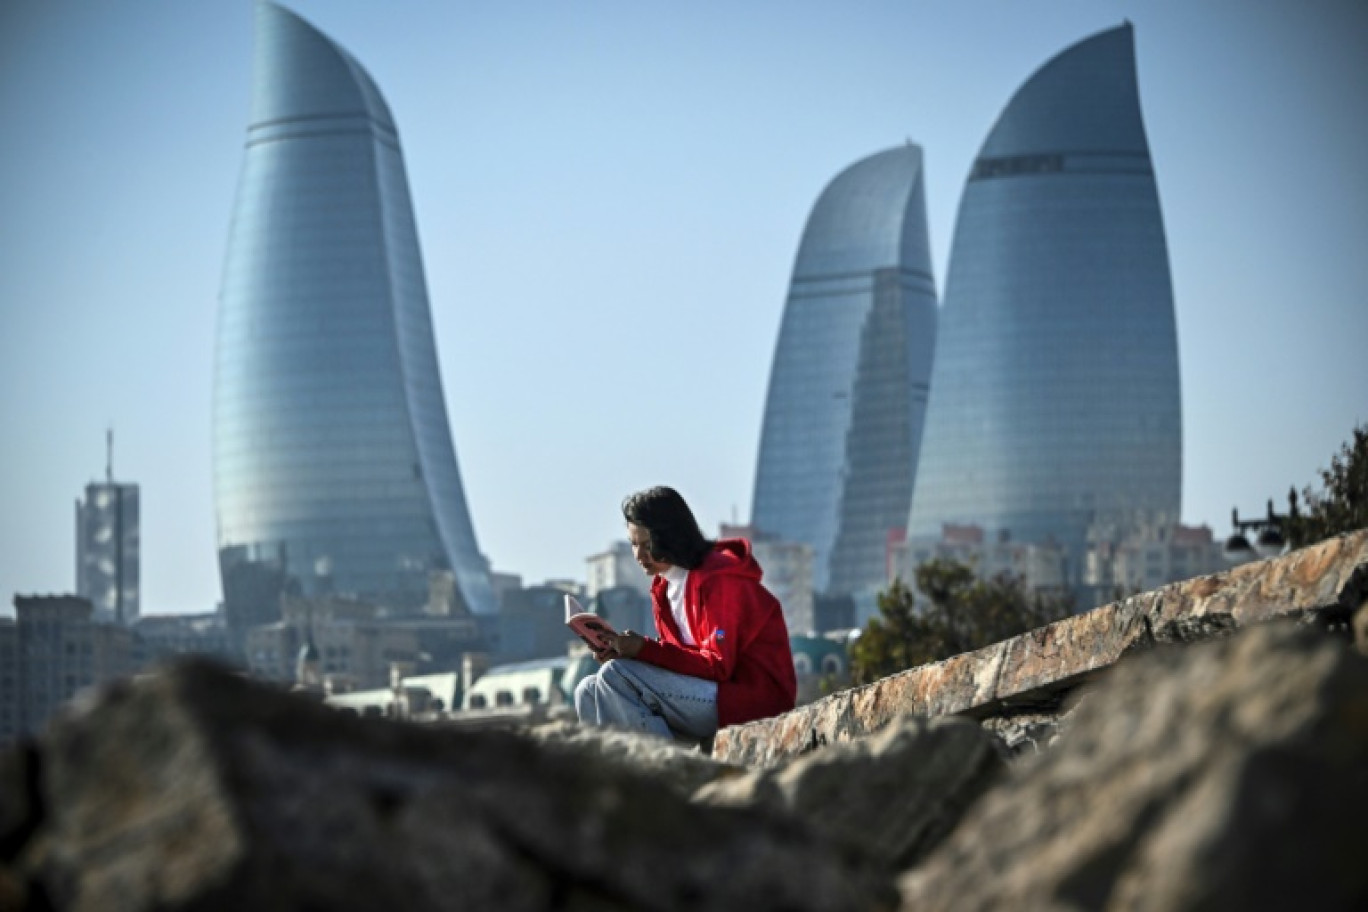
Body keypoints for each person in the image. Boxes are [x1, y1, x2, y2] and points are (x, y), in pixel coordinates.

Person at [574, 486, 797, 743]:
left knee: (617, 673)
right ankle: (617, 776)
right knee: (587, 691)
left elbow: (717, 666)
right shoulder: (664, 588)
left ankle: (663, 771)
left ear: (671, 537)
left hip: (748, 699)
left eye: (647, 545)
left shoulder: (719, 581)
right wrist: (628, 651)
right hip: (706, 693)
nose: (639, 555)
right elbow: (680, 660)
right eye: (634, 544)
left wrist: (643, 651)